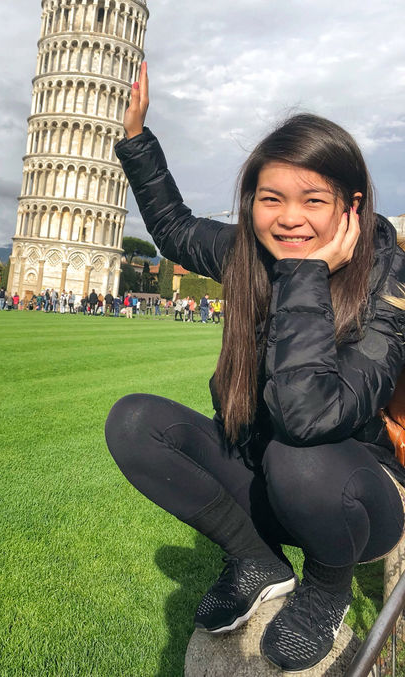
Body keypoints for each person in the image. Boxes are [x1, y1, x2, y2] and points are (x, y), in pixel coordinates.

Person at [105, 61, 405, 673]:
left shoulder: (388, 283)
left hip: (352, 496)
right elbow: (172, 228)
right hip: (264, 476)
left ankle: (325, 592)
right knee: (134, 422)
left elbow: (308, 412)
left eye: (312, 200)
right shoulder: (248, 252)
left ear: (351, 205)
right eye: (271, 199)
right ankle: (255, 559)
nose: (289, 218)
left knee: (298, 452)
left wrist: (306, 274)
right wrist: (137, 139)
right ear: (252, 203)